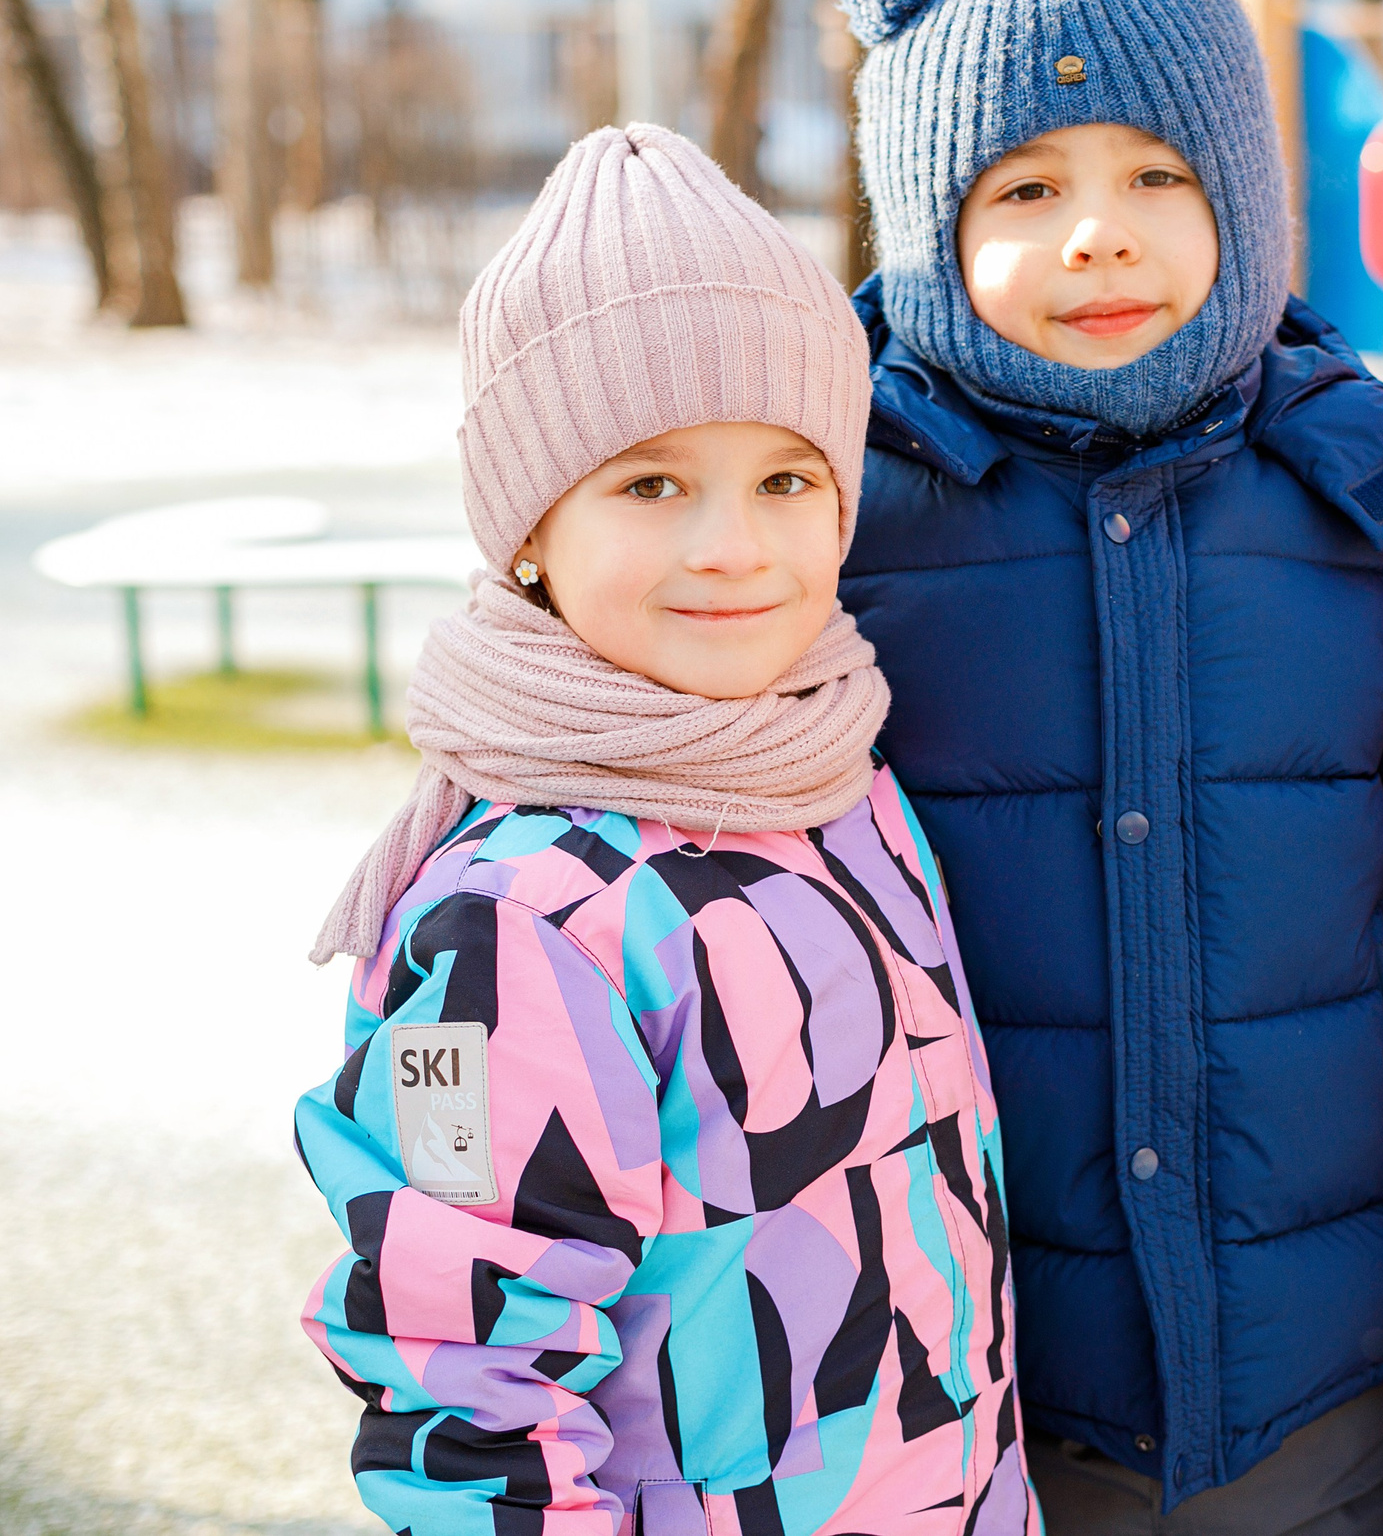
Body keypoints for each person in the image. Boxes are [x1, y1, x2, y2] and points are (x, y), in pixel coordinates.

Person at [826, 0, 1383, 1532]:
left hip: (1322, 1368)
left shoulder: (1361, 500)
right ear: (924, 218)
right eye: (1022, 190)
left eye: (1154, 179)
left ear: (1243, 196)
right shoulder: (843, 513)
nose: (1097, 237)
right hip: (984, 1377)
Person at [293, 125, 1036, 1536]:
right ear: (528, 527)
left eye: (785, 480)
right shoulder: (512, 919)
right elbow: (464, 1374)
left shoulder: (841, 776)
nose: (733, 546)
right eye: (650, 484)